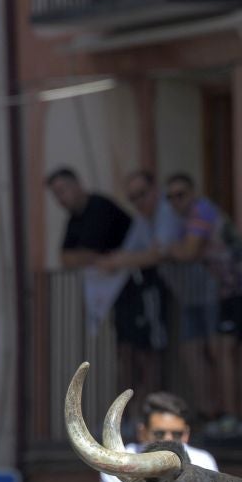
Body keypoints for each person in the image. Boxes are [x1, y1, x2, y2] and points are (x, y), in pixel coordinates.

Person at [166, 172, 242, 426]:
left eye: (181, 195)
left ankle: (233, 417)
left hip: (240, 287)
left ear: (193, 193)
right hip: (236, 288)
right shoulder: (191, 218)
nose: (176, 202)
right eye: (170, 198)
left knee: (226, 350)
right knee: (238, 351)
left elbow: (188, 251)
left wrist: (166, 249)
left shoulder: (201, 213)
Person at [97, 169, 182, 401]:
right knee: (138, 353)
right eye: (132, 198)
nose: (138, 202)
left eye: (142, 194)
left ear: (155, 190)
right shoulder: (143, 219)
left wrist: (120, 261)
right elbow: (132, 249)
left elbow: (157, 254)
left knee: (159, 353)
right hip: (174, 292)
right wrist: (113, 260)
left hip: (190, 290)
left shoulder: (166, 212)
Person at [48, 167, 135, 342]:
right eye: (55, 194)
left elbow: (87, 253)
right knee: (124, 342)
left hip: (136, 283)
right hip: (115, 289)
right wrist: (96, 259)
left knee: (142, 347)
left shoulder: (99, 207)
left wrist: (88, 257)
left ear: (77, 185)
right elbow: (65, 258)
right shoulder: (74, 218)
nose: (60, 199)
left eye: (62, 191)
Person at [97, 391, 219, 482]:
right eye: (159, 434)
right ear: (142, 432)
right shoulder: (121, 461)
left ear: (186, 434)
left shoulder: (203, 461)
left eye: (177, 434)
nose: (168, 440)